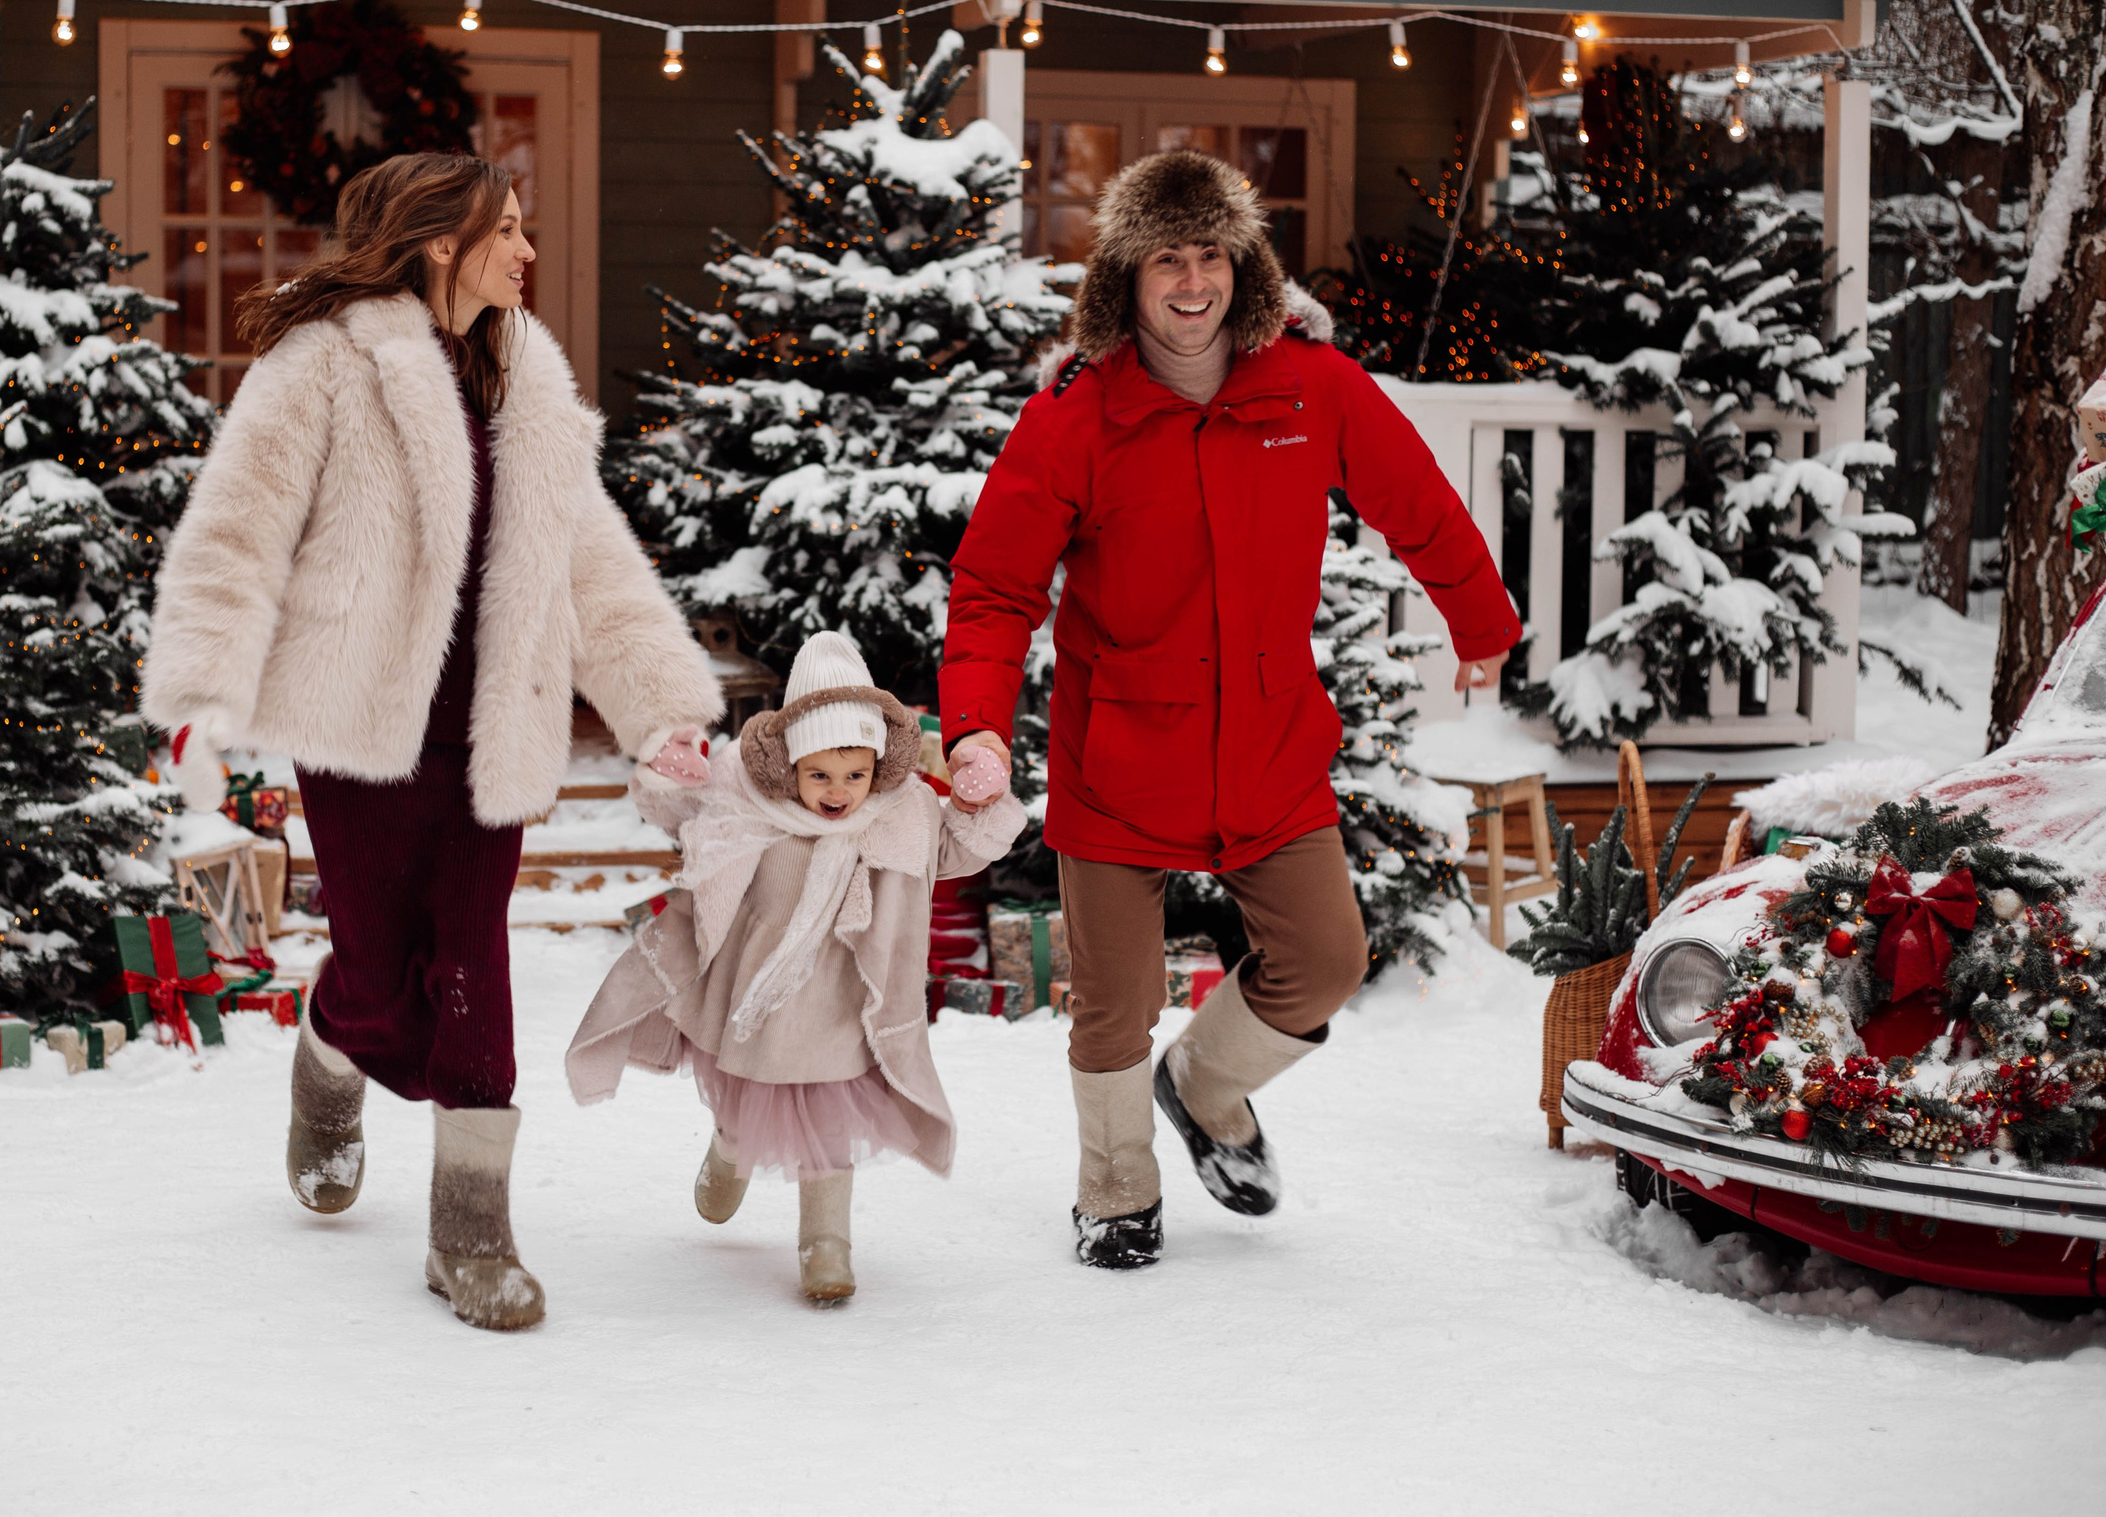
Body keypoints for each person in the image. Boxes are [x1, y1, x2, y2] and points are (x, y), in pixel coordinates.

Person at [143, 154, 720, 1331]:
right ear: (436, 243)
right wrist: (205, 680)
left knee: (471, 960)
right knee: (376, 962)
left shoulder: (530, 381)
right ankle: (330, 1041)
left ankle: (471, 1227)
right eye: (504, 232)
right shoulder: (326, 364)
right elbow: (241, 525)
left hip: (490, 722)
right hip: (362, 723)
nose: (526, 252)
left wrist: (658, 708)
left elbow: (590, 561)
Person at [940, 150, 1519, 1269]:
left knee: (1326, 961)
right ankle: (1114, 1191)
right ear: (1127, 276)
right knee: (1111, 1005)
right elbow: (996, 586)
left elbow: (1418, 503)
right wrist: (974, 723)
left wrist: (1480, 625)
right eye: (1167, 258)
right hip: (1119, 753)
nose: (1191, 280)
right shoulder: (1076, 413)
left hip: (1266, 745)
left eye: (1210, 254)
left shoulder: (1310, 385)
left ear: (1240, 266)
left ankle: (1203, 1087)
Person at [565, 632, 1023, 1304]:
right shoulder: (746, 796)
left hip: (840, 1004)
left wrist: (978, 800)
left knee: (828, 1122)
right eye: (819, 775)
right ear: (790, 766)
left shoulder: (899, 814)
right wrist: (672, 770)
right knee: (743, 1095)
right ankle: (729, 1151)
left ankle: (826, 1241)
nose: (838, 793)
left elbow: (952, 847)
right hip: (754, 997)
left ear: (876, 767)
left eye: (853, 775)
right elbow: (682, 814)